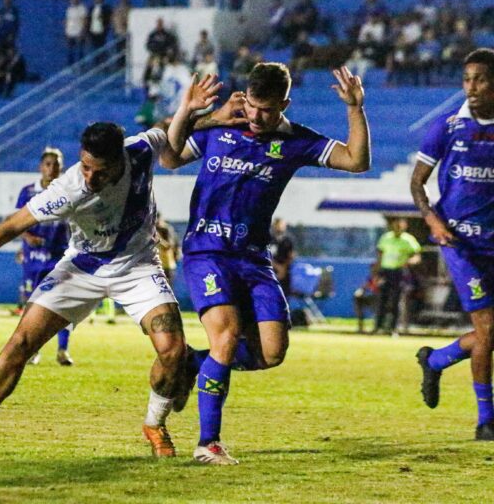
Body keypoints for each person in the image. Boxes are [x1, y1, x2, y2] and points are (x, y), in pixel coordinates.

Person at [0, 122, 188, 459]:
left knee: (172, 348)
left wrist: (215, 115)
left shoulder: (139, 150)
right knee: (21, 342)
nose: (90, 177)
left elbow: (169, 128)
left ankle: (154, 424)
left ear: (120, 160)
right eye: (85, 166)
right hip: (82, 267)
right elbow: (9, 227)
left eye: (100, 171)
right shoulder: (68, 188)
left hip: (137, 265)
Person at [163, 64, 370, 464]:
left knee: (272, 352)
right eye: (253, 107)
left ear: (285, 105)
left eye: (267, 111)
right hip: (207, 253)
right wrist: (190, 113)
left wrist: (354, 109)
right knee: (226, 337)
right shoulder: (219, 127)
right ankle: (208, 443)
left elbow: (356, 161)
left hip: (254, 259)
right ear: (245, 97)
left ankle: (192, 363)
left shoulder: (295, 141)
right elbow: (170, 157)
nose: (257, 118)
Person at [412, 48, 494, 441]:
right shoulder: (447, 127)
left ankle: (438, 359)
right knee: (488, 328)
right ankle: (485, 420)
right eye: (467, 79)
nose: (472, 87)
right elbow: (417, 182)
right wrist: (431, 218)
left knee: (491, 334)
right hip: (458, 242)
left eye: (480, 79)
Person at [15, 147, 74, 366]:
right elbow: (17, 222)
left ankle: (62, 350)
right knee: (34, 307)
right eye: (48, 164)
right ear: (41, 167)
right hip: (34, 259)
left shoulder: (68, 191)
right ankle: (33, 350)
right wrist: (27, 237)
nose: (52, 168)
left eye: (56, 164)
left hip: (61, 257)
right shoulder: (28, 191)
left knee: (63, 304)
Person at [371, 217, 421, 335]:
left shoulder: (408, 240)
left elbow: (417, 256)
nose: (398, 227)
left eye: (400, 225)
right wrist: (376, 272)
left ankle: (393, 328)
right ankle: (378, 327)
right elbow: (380, 255)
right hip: (385, 271)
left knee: (396, 300)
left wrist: (409, 262)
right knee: (382, 299)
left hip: (399, 272)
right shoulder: (386, 238)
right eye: (396, 224)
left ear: (405, 226)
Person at [269, 217, 295, 295]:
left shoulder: (288, 240)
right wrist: (277, 267)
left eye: (281, 225)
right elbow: (266, 255)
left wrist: (283, 269)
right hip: (271, 271)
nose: (279, 227)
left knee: (284, 296)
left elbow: (291, 255)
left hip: (285, 273)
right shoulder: (269, 239)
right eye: (277, 225)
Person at [64, 0, 87, 66]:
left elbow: (84, 21)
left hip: (78, 33)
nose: (73, 1)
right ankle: (70, 66)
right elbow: (67, 21)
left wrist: (82, 32)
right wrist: (66, 32)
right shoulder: (69, 9)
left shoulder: (82, 8)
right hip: (70, 33)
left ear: (78, 0)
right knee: (70, 51)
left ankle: (81, 66)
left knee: (80, 51)